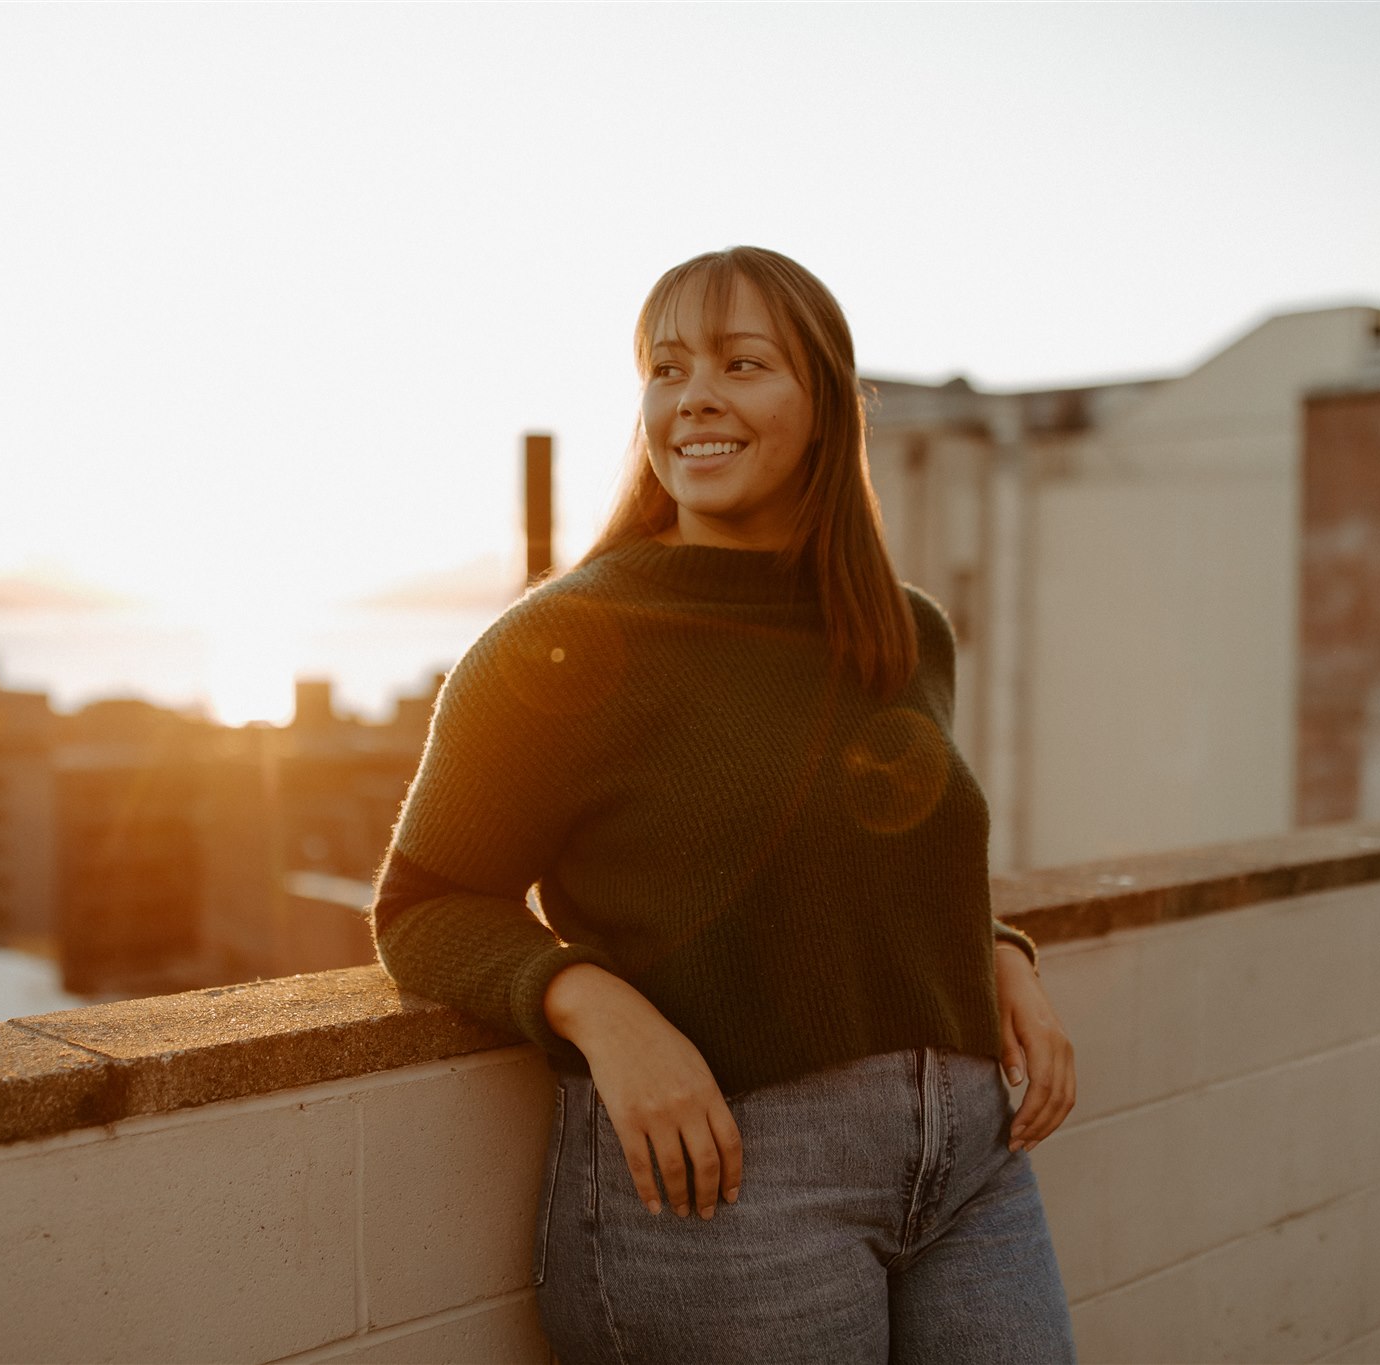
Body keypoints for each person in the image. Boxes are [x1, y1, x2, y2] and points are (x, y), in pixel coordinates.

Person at [372, 246, 1077, 1364]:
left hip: (971, 1169)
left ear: (822, 405)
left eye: (740, 364)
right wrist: (596, 1006)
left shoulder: (902, 633)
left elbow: (862, 849)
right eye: (664, 368)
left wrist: (989, 946)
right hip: (729, 1186)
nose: (691, 396)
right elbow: (422, 906)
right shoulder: (561, 643)